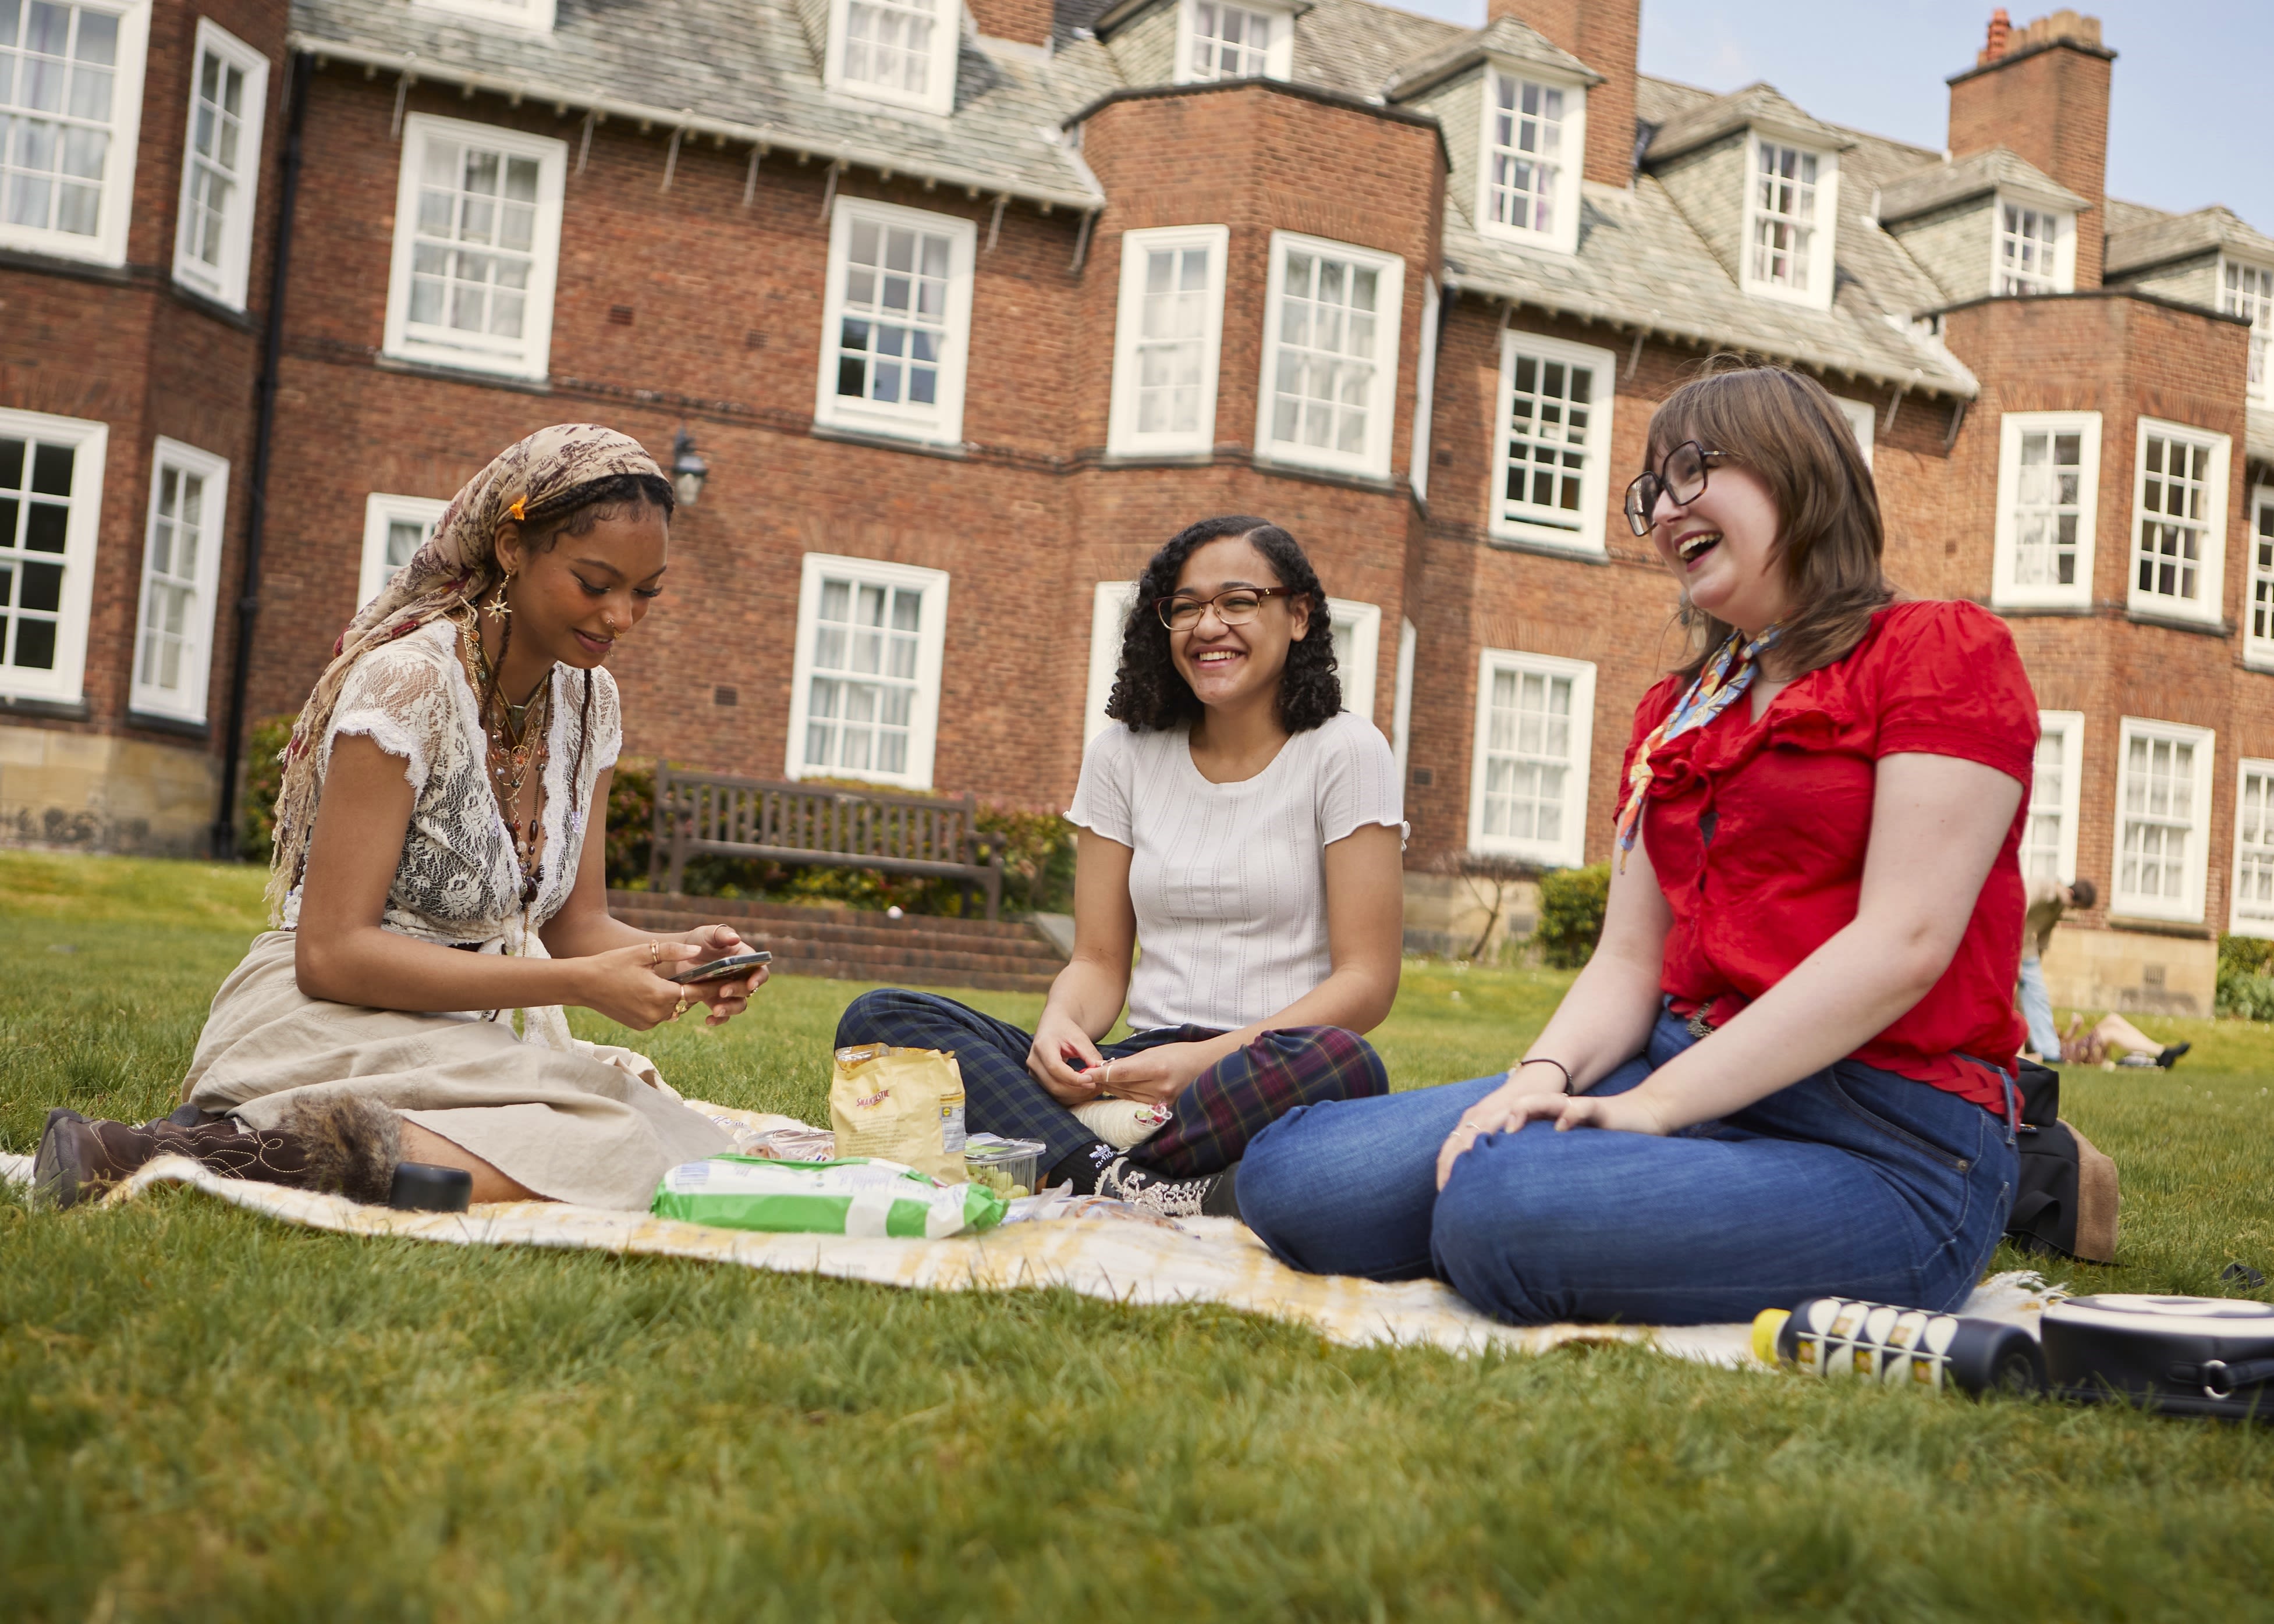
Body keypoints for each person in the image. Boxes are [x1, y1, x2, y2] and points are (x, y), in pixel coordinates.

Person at [1238, 365, 2037, 1326]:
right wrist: (1539, 1080)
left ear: (1798, 470)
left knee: (1500, 1209)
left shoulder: (1938, 651)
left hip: (1884, 1133)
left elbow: (1901, 945)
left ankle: (1617, 1201)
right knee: (1295, 1177)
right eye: (1650, 492)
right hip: (1674, 1069)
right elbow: (1627, 960)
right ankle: (1622, 1194)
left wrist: (1651, 1112)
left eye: (1690, 471)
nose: (1662, 511)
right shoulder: (1676, 712)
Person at [34, 425, 766, 1211]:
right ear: (513, 547)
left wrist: (679, 957)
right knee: (621, 1147)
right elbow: (329, 953)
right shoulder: (407, 684)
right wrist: (580, 986)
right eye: (595, 582)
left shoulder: (591, 702)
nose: (621, 615)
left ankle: (297, 1144)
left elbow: (575, 925)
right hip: (334, 1017)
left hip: (467, 1033)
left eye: (645, 590)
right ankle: (176, 1149)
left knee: (682, 1146)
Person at [835, 516, 1406, 1216]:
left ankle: (1062, 1157)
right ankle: (1128, 1182)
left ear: (1297, 616)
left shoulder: (1347, 751)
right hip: (1126, 1078)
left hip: (1260, 1068)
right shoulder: (1122, 756)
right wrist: (1059, 1027)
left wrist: (1201, 1062)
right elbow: (1100, 962)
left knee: (1348, 1067)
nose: (1208, 625)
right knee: (882, 1019)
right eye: (1186, 606)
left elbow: (1366, 983)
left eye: (1237, 601)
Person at [2017, 876, 2093, 1061]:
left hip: (2028, 951)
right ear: (2070, 892)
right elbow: (2017, 911)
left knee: (2039, 997)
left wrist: (2035, 965)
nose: (2071, 909)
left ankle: (2049, 1051)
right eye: (2074, 906)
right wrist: (2014, 959)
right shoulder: (2041, 886)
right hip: (2007, 944)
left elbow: (2044, 936)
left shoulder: (2059, 906)